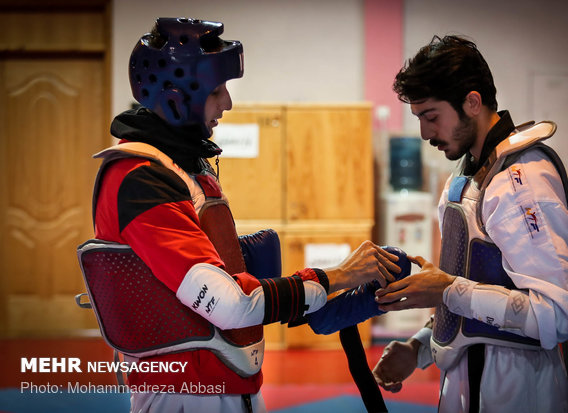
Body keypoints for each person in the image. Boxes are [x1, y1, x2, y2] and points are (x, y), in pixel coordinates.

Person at [79, 18, 401, 413]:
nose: (227, 104)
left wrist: (328, 301)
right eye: (217, 91)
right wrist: (338, 275)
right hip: (187, 395)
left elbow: (228, 276)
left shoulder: (181, 168)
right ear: (178, 97)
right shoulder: (140, 179)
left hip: (221, 383)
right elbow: (229, 304)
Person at [372, 35, 568, 412]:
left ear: (472, 102)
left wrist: (448, 291)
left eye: (431, 116)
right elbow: (469, 277)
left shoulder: (521, 183)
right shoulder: (469, 175)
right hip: (467, 375)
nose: (424, 133)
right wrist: (420, 346)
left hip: (517, 387)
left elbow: (559, 313)